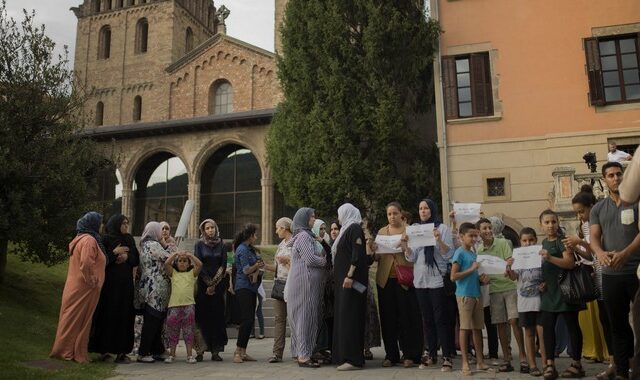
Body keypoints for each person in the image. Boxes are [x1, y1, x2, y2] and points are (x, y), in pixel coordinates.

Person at [591, 161, 640, 380]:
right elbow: (593, 236)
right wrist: (600, 253)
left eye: (619, 174)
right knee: (617, 325)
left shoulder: (637, 203)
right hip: (611, 275)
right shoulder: (598, 208)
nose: (616, 178)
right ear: (604, 180)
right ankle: (621, 371)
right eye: (610, 175)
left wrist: (626, 253)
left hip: (636, 272)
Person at [50, 212, 108, 363]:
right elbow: (86, 263)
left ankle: (68, 351)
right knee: (78, 319)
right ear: (93, 224)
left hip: (78, 286)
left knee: (72, 318)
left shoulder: (82, 238)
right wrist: (92, 280)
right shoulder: (89, 240)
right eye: (100, 222)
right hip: (84, 288)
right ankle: (67, 352)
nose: (102, 225)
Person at [406, 199, 456, 371]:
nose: (423, 211)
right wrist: (405, 244)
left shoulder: (442, 228)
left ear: (432, 210)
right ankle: (431, 353)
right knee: (427, 319)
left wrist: (438, 239)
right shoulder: (416, 229)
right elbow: (411, 258)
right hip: (420, 279)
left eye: (426, 208)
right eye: (420, 208)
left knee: (440, 319)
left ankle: (447, 356)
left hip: (436, 279)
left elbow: (449, 254)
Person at [563, 185, 611, 366]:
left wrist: (581, 241)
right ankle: (613, 360)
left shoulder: (601, 221)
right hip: (597, 277)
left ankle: (618, 360)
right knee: (604, 319)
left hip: (608, 274)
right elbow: (591, 255)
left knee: (612, 319)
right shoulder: (584, 226)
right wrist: (575, 247)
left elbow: (602, 250)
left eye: (581, 211)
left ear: (592, 206)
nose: (579, 216)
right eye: (577, 213)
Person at [372, 201, 423, 368]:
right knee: (388, 318)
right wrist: (372, 249)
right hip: (385, 281)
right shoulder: (381, 231)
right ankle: (391, 354)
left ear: (401, 214)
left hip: (405, 280)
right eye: (389, 214)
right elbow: (378, 257)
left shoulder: (410, 231)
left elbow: (415, 256)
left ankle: (410, 354)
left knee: (407, 317)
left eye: (395, 213)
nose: (392, 216)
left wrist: (405, 246)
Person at [538, 209, 584, 379]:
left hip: (565, 292)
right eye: (547, 222)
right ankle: (550, 364)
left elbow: (569, 263)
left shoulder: (561, 241)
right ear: (541, 225)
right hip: (549, 293)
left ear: (558, 223)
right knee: (548, 329)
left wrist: (550, 258)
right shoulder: (542, 243)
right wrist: (541, 282)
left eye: (553, 221)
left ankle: (577, 364)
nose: (551, 225)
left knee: (573, 328)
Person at [476, 217, 526, 373]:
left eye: (489, 227)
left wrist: (510, 265)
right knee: (500, 323)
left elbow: (509, 263)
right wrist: (482, 279)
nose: (488, 230)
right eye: (484, 228)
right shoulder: (479, 251)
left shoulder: (503, 243)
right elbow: (482, 274)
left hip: (509, 287)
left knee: (513, 320)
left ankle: (523, 356)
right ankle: (506, 358)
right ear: (479, 232)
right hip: (494, 290)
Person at [89, 214, 139, 363]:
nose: (125, 226)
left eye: (127, 223)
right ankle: (104, 351)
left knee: (124, 316)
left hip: (125, 286)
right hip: (109, 286)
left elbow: (136, 259)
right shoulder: (105, 239)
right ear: (116, 224)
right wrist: (114, 253)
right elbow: (100, 261)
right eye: (123, 223)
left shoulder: (129, 239)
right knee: (108, 316)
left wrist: (127, 258)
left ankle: (121, 352)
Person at [287, 207, 327, 368]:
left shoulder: (305, 236)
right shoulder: (304, 236)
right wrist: (326, 262)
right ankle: (303, 356)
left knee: (306, 317)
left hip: (307, 283)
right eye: (311, 217)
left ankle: (302, 352)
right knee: (304, 317)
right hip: (305, 284)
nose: (313, 220)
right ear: (304, 219)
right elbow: (310, 259)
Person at [331, 203, 369, 371]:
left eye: (341, 214)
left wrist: (350, 274)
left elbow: (357, 253)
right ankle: (343, 355)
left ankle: (353, 359)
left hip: (351, 283)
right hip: (344, 284)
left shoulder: (354, 228)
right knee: (344, 316)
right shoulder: (347, 229)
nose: (339, 218)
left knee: (350, 316)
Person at [450, 222, 491, 376]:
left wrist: (483, 279)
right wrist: (472, 269)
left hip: (476, 294)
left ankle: (480, 361)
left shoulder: (474, 253)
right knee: (465, 329)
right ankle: (465, 363)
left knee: (477, 329)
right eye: (471, 235)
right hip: (464, 295)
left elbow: (474, 275)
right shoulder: (459, 253)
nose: (474, 238)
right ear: (461, 237)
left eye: (475, 235)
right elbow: (453, 276)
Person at [506, 227, 546, 377]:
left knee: (542, 334)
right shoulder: (517, 257)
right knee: (529, 333)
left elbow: (547, 275)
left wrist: (545, 284)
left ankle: (546, 364)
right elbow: (513, 277)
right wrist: (509, 267)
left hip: (541, 300)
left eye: (531, 240)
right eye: (524, 240)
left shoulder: (542, 256)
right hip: (524, 301)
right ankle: (532, 365)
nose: (528, 243)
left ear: (536, 240)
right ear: (520, 242)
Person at [136, 221, 171, 363]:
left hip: (148, 287)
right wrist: (166, 245)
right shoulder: (153, 245)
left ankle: (158, 350)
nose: (161, 233)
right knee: (153, 320)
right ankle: (143, 352)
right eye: (159, 230)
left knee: (156, 320)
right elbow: (169, 258)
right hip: (155, 289)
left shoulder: (144, 245)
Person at [194, 218, 228, 362]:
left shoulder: (222, 244)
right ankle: (200, 351)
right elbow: (198, 264)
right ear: (203, 230)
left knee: (217, 318)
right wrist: (208, 284)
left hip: (218, 287)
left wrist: (214, 284)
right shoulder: (199, 244)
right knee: (202, 317)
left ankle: (216, 351)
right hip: (203, 287)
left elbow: (223, 265)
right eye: (207, 228)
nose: (210, 230)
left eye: (212, 227)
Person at [163, 251, 203, 363]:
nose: (182, 263)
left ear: (188, 264)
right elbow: (166, 264)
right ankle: (172, 355)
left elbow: (200, 265)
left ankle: (189, 355)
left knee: (189, 331)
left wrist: (190, 255)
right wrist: (176, 254)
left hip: (188, 307)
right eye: (180, 261)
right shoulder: (173, 273)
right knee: (173, 331)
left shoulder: (192, 274)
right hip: (174, 306)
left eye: (185, 261)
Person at [232, 223, 263, 363]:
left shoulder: (249, 250)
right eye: (255, 235)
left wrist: (258, 265)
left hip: (251, 288)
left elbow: (257, 264)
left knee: (250, 320)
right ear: (250, 236)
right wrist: (257, 266)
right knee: (246, 320)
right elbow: (245, 270)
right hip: (243, 287)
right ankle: (237, 352)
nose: (256, 237)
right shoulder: (242, 249)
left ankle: (243, 352)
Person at [267, 217, 293, 363]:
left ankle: (298, 352)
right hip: (279, 284)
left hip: (292, 285)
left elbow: (298, 266)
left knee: (295, 319)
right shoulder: (281, 244)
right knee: (279, 319)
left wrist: (288, 261)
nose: (276, 231)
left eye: (278, 228)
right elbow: (278, 267)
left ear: (284, 228)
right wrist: (264, 266)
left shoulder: (295, 243)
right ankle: (277, 353)